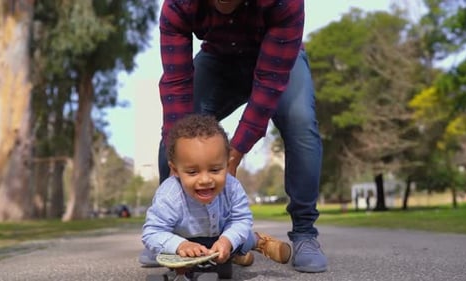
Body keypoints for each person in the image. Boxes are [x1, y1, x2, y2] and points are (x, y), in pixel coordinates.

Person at [154, 0, 327, 273]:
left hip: (280, 59)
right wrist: (180, 156)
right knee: (177, 138)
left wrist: (235, 152)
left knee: (300, 120)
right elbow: (177, 85)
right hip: (218, 61)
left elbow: (269, 82)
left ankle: (305, 232)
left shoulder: (285, 3)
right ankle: (169, 235)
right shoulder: (179, 5)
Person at [140, 114, 291, 267]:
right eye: (192, 172)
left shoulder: (232, 187)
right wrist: (180, 245)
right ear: (175, 170)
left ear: (227, 164)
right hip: (187, 242)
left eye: (215, 169)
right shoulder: (169, 196)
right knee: (165, 249)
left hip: (223, 235)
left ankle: (258, 242)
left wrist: (227, 241)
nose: (205, 180)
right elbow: (152, 232)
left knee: (242, 237)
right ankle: (235, 257)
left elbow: (241, 220)